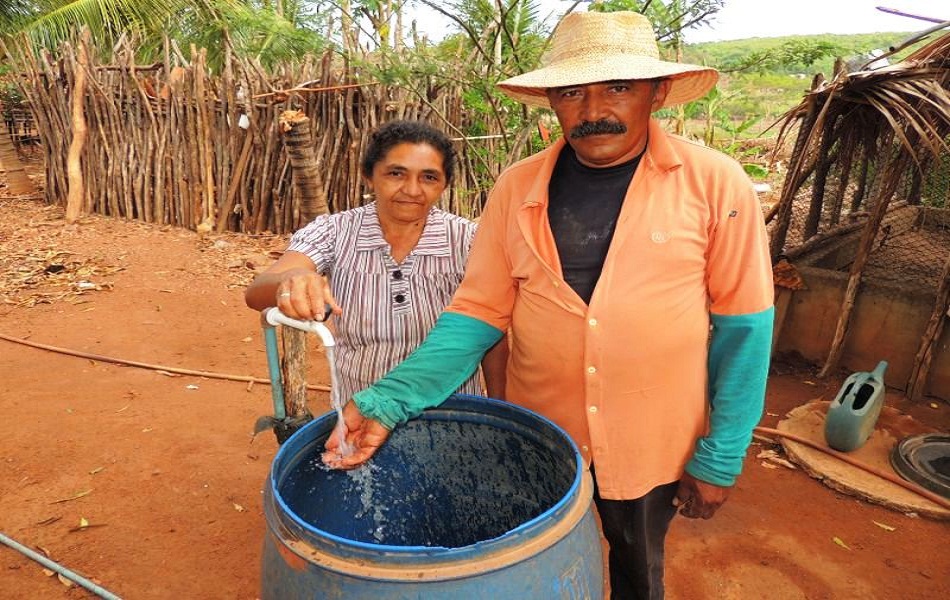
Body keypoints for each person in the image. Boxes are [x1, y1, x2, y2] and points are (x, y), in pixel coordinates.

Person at [325, 11, 774, 600]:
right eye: (571, 92)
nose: (592, 111)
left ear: (657, 92)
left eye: (617, 87)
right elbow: (479, 312)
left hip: (651, 439)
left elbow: (745, 328)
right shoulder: (516, 188)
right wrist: (389, 398)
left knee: (638, 568)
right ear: (551, 101)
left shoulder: (716, 183)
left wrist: (720, 456)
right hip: (542, 430)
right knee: (533, 559)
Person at [244, 120, 508, 407]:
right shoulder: (335, 231)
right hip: (360, 410)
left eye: (429, 177)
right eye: (396, 173)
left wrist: (498, 408)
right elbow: (256, 292)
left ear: (444, 184)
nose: (412, 189)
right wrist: (293, 277)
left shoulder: (468, 240)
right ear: (369, 176)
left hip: (450, 411)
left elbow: (491, 331)